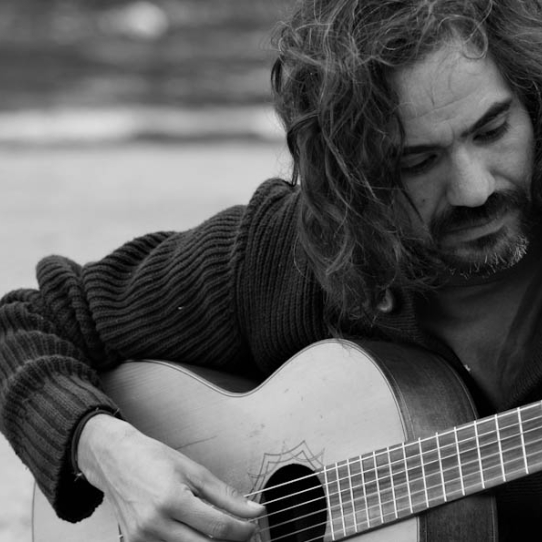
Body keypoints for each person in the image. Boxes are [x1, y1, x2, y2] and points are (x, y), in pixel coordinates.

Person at [1, 0, 542, 540]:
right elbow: (27, 324)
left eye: (493, 131)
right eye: (418, 162)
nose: (475, 189)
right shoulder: (286, 260)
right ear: (348, 175)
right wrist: (108, 452)